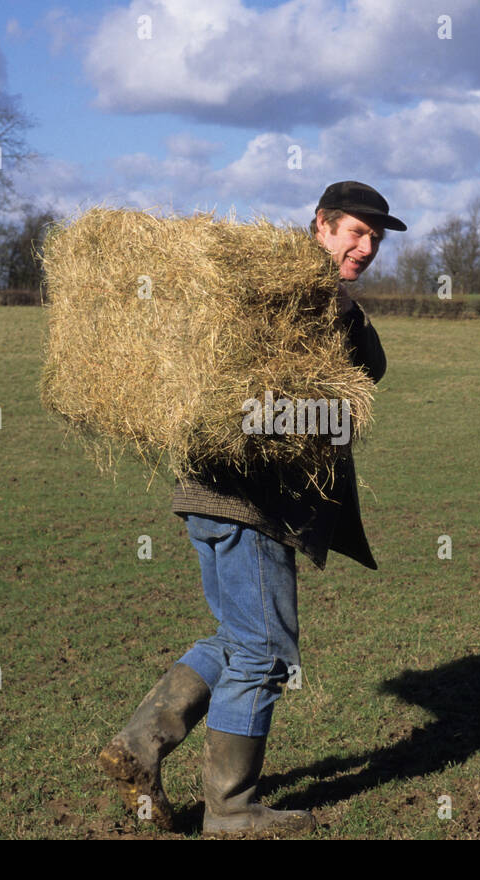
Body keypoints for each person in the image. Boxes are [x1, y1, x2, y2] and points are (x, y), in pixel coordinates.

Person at [97, 181, 406, 836]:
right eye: (354, 231)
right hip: (247, 502)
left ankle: (139, 742)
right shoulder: (275, 287)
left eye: (375, 238)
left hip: (209, 498)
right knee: (265, 651)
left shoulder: (314, 304)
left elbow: (369, 366)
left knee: (237, 637)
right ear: (319, 224)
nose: (366, 246)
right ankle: (232, 809)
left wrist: (336, 308)